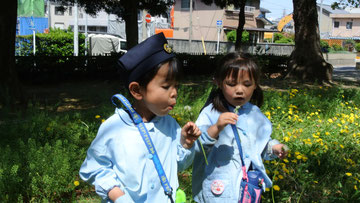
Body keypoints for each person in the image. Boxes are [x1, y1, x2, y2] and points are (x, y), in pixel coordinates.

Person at [79, 33, 201, 203]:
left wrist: (186, 144)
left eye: (176, 86)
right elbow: (95, 168)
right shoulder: (113, 128)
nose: (174, 93)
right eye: (166, 86)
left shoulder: (171, 125)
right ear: (137, 90)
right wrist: (118, 197)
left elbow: (179, 165)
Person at [192, 52, 288, 202]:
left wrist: (274, 148)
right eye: (231, 84)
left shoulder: (254, 113)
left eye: (247, 84)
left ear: (255, 85)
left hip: (246, 190)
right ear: (218, 82)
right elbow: (196, 146)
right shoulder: (210, 113)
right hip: (218, 190)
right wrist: (217, 127)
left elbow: (258, 145)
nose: (239, 90)